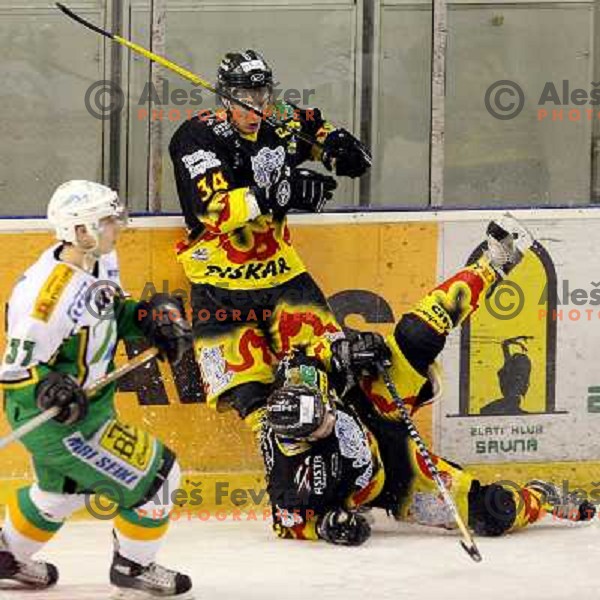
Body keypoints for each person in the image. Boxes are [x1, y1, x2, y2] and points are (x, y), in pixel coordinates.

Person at [260, 216, 595, 544]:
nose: (329, 416)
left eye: (323, 409)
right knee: (492, 513)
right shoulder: (289, 482)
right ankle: (540, 496)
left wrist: (347, 352)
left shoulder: (299, 383)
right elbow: (288, 524)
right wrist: (329, 526)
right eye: (321, 423)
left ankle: (494, 263)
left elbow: (311, 353)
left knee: (416, 335)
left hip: (371, 403)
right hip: (396, 480)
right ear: (302, 440)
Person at [0, 181, 193, 597]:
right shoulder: (46, 298)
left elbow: (110, 311)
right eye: (107, 221)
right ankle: (133, 565)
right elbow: (17, 372)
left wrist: (147, 316)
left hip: (88, 408)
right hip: (52, 419)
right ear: (80, 230)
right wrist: (49, 390)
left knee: (60, 494)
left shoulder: (100, 262)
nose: (117, 227)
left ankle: (5, 556)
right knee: (159, 478)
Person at [169, 49, 370, 429]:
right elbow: (215, 211)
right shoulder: (197, 137)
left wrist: (339, 147)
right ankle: (281, 466)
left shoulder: (278, 117)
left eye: (263, 96)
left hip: (283, 276)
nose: (257, 107)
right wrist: (281, 193)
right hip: (219, 281)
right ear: (226, 97)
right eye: (246, 99)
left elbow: (314, 128)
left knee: (325, 372)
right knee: (251, 399)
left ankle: (347, 460)